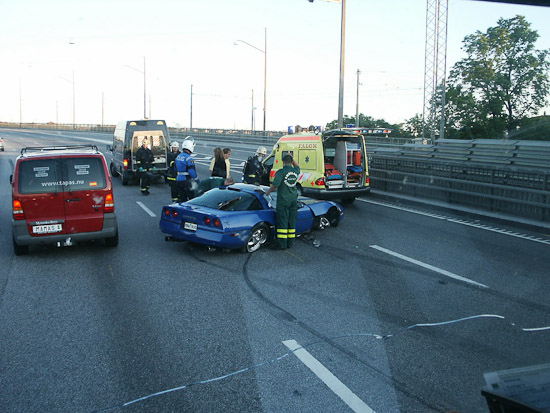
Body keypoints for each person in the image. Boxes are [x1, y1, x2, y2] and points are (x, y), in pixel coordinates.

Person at [265, 154, 300, 250]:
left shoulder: (281, 172)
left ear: (283, 162)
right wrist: (293, 158)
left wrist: (268, 192)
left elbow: (275, 185)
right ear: (291, 162)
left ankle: (282, 244)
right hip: (293, 200)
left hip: (283, 201)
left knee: (282, 223)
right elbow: (297, 166)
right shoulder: (295, 171)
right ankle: (290, 242)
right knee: (291, 222)